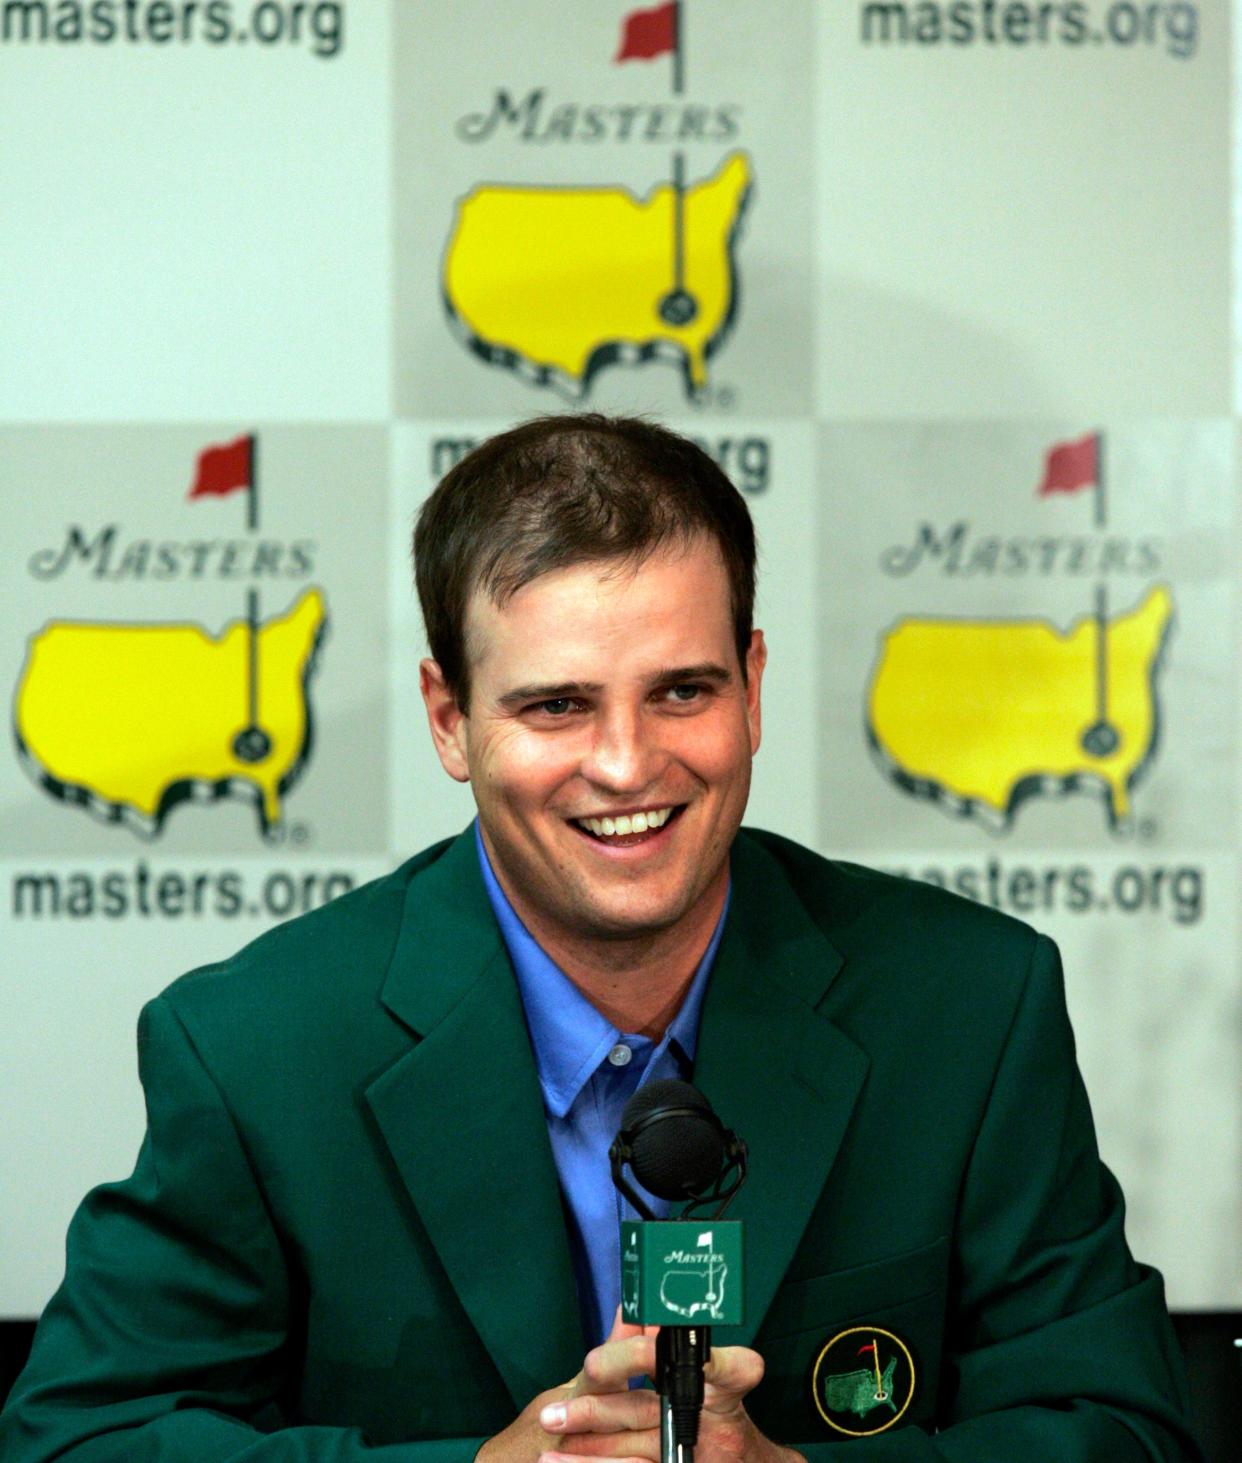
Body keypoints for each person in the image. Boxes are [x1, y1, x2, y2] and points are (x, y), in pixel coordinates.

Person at [1, 415, 1201, 1461]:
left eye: (682, 689)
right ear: (449, 719)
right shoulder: (256, 1047)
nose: (628, 763)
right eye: (555, 704)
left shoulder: (971, 1004)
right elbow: (80, 1438)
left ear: (754, 683)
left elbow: (1132, 1426)